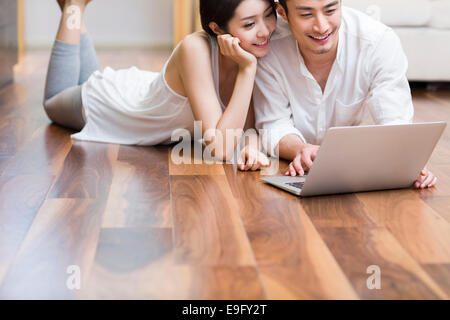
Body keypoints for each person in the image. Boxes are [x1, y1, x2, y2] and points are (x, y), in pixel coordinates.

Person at [43, 0, 278, 171]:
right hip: (114, 105)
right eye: (249, 24)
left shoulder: (251, 50)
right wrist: (248, 70)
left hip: (142, 88)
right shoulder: (195, 48)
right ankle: (74, 7)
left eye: (268, 14)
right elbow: (222, 149)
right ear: (217, 29)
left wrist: (252, 147)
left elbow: (248, 126)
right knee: (53, 102)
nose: (265, 31)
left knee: (88, 77)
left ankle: (74, 9)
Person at [253, 0, 437, 188]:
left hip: (360, 168)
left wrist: (404, 163)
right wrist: (301, 149)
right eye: (306, 14)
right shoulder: (271, 47)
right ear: (282, 12)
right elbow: (274, 122)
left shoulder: (377, 42)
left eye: (330, 10)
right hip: (294, 169)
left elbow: (395, 122)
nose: (321, 27)